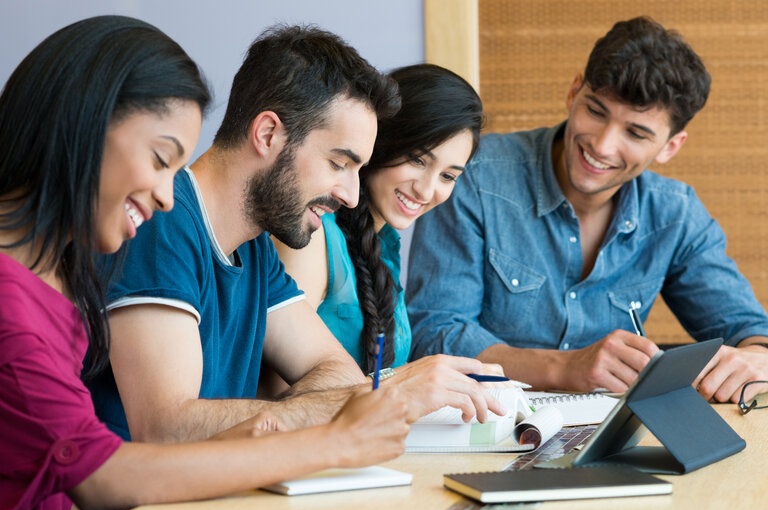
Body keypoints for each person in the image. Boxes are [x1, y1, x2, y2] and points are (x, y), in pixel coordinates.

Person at [0, 16, 411, 510]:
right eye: (160, 159)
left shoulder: (58, 284)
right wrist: (333, 435)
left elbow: (336, 375)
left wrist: (281, 424)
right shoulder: (22, 300)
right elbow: (110, 468)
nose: (166, 195)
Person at [89, 24, 504, 443]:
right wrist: (392, 391)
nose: (351, 194)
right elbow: (166, 427)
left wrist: (351, 397)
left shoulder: (255, 248)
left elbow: (337, 373)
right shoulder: (162, 220)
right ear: (268, 134)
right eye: (339, 163)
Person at [407, 16, 768, 403]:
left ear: (670, 147)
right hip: (484, 425)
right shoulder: (474, 176)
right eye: (596, 111)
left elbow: (749, 329)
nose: (602, 145)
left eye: (635, 133)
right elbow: (434, 333)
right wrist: (567, 367)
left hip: (613, 436)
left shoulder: (676, 214)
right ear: (574, 92)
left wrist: (755, 358)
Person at [273, 63, 482, 374]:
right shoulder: (312, 234)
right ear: (380, 141)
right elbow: (277, 395)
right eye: (417, 159)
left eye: (448, 176)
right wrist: (411, 383)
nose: (427, 190)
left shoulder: (386, 246)